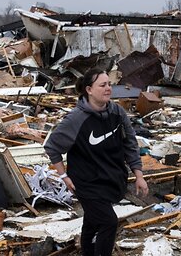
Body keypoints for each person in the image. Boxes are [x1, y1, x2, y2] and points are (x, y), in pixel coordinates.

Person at [44, 68, 149, 256]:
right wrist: (64, 176)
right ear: (89, 90)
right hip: (85, 182)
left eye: (109, 84)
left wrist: (139, 175)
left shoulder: (117, 112)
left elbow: (130, 143)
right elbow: (52, 147)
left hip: (110, 178)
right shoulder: (76, 118)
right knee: (108, 222)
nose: (108, 88)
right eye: (102, 85)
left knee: (92, 222)